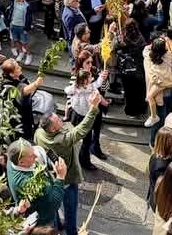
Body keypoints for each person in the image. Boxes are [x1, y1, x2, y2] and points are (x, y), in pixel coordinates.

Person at [34, 91, 102, 235]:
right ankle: (71, 232)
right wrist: (93, 107)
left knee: (55, 206)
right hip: (67, 179)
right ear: (53, 129)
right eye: (58, 120)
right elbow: (81, 130)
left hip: (51, 177)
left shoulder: (39, 133)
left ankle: (57, 225)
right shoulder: (61, 140)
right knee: (70, 209)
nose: (61, 120)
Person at [6, 140, 68, 230]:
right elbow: (53, 204)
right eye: (31, 156)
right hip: (43, 220)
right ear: (21, 162)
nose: (36, 155)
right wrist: (60, 177)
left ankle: (59, 225)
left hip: (41, 205)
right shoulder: (30, 183)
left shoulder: (11, 160)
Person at [148, 127, 172, 211]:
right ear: (166, 144)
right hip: (163, 204)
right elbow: (167, 189)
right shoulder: (161, 167)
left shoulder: (160, 154)